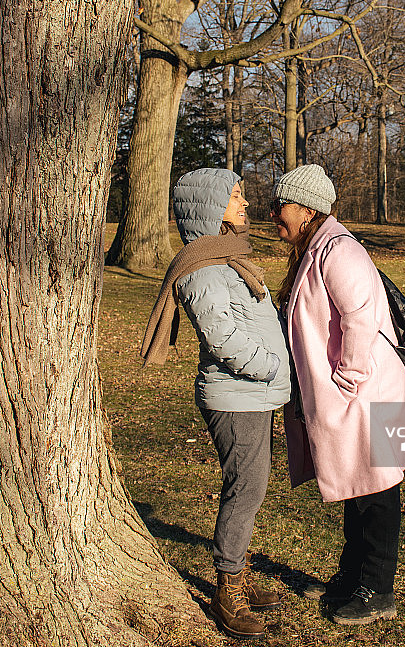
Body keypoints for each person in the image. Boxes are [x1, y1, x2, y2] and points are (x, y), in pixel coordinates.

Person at [141, 168, 291, 639]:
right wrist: (270, 365)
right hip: (237, 395)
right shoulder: (203, 267)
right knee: (245, 489)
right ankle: (228, 588)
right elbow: (222, 336)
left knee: (252, 488)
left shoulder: (227, 258)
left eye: (243, 194)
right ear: (207, 207)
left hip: (253, 394)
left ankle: (238, 575)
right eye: (234, 197)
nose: (244, 204)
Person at [271, 164, 405, 626]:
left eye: (282, 205)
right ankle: (354, 575)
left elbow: (360, 316)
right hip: (362, 390)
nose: (274, 212)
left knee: (378, 491)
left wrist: (347, 378)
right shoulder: (317, 248)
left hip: (370, 388)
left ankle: (377, 589)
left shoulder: (339, 250)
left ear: (308, 209)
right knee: (362, 488)